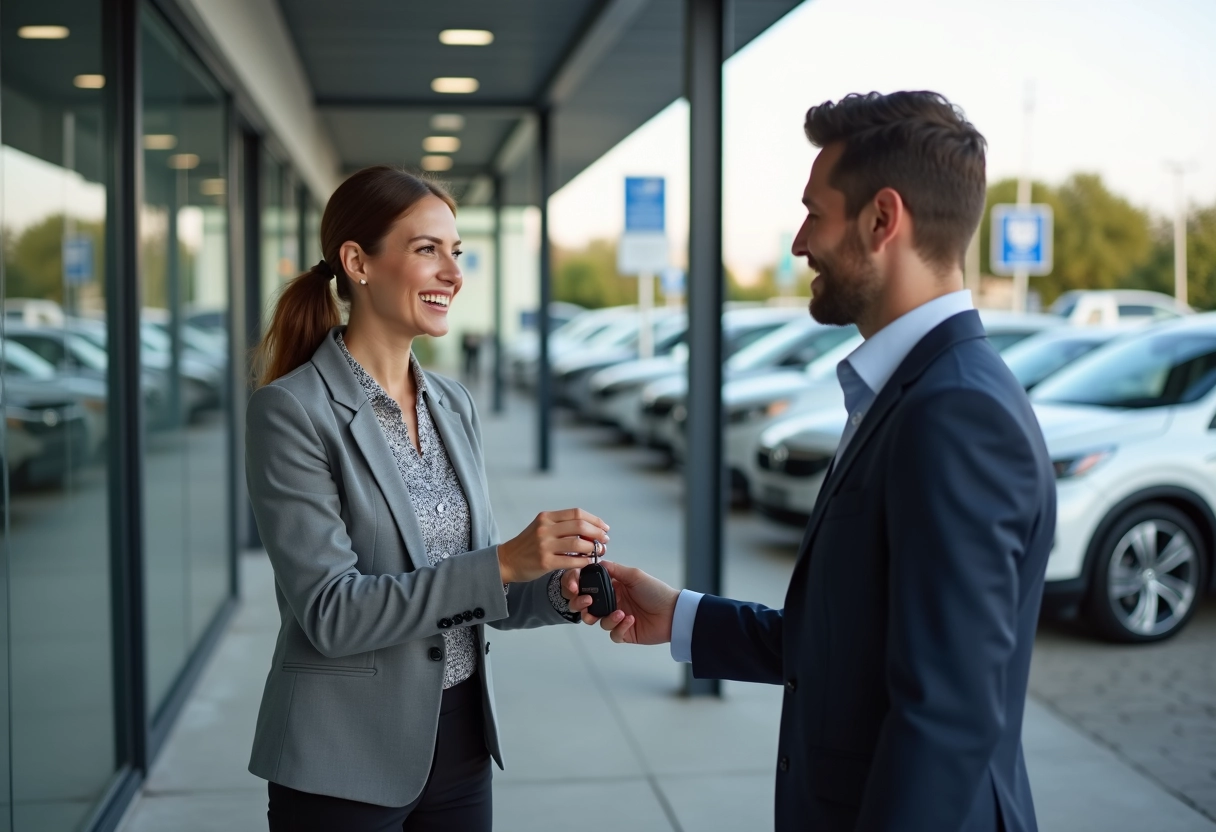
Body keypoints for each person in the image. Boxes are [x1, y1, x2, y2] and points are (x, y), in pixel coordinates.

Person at [588, 92, 1056, 832]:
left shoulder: (955, 412)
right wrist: (680, 617)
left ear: (882, 220)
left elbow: (947, 715)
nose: (801, 241)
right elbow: (857, 641)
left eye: (815, 211)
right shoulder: (912, 390)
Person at [246, 165, 607, 831]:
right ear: (357, 261)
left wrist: (557, 589)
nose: (452, 272)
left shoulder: (450, 403)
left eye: (457, 252)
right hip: (341, 760)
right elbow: (332, 613)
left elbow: (471, 590)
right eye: (426, 250)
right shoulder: (291, 413)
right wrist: (502, 562)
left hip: (461, 744)